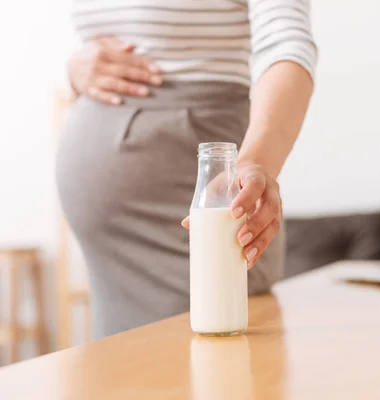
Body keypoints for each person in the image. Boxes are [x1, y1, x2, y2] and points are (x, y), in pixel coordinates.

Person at [56, 0, 317, 339]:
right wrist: (73, 70)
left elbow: (287, 41)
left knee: (220, 361)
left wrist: (256, 162)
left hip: (201, 198)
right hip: (109, 264)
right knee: (125, 373)